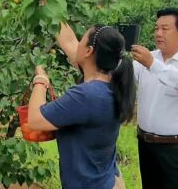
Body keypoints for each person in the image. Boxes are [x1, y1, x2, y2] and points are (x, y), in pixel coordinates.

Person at [27, 23, 135, 189]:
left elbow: (35, 120)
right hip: (106, 181)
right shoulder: (111, 79)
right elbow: (69, 42)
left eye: (82, 41)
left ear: (89, 51)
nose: (77, 44)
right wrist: (49, 6)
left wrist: (40, 80)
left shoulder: (87, 95)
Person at [130, 7, 178, 189]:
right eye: (156, 28)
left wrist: (152, 64)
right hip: (148, 146)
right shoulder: (146, 60)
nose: (158, 33)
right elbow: (123, 78)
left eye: (165, 29)